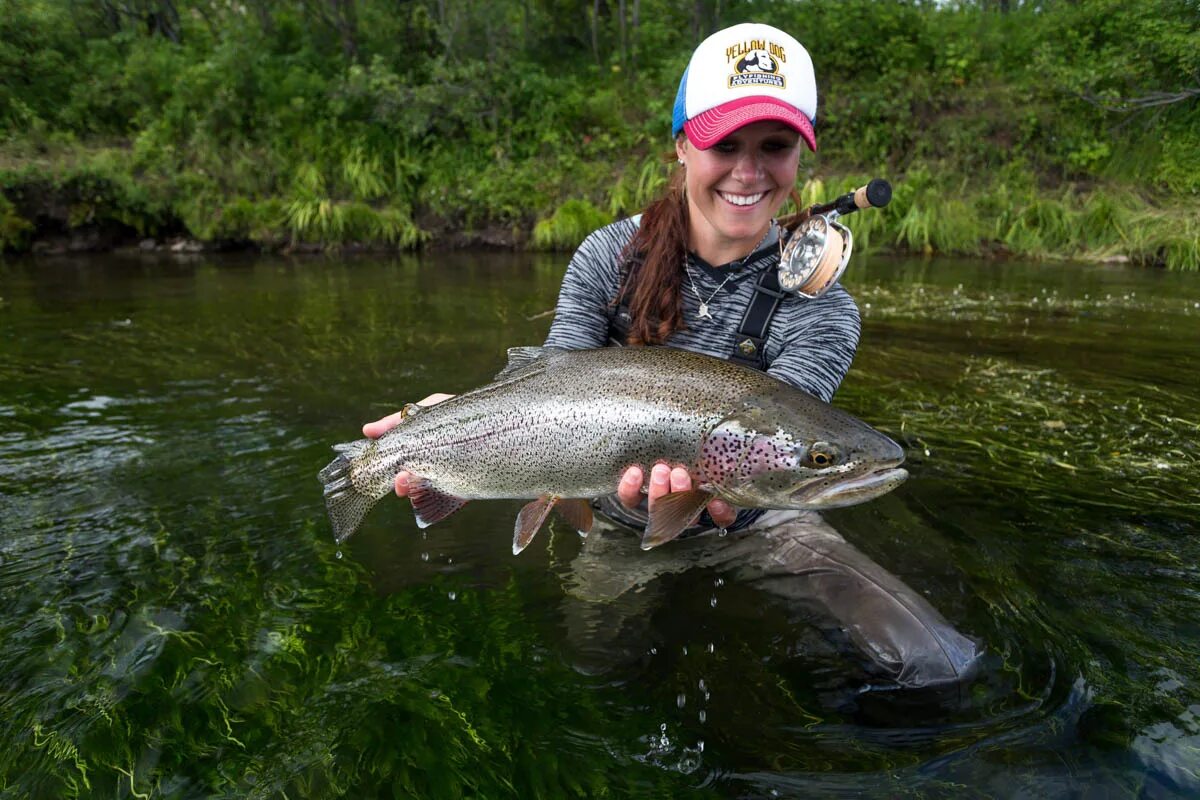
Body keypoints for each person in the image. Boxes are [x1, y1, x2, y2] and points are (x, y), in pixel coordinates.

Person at [363, 23, 981, 693]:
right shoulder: (608, 256)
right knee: (600, 671)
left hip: (765, 520)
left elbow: (781, 454)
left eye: (773, 146)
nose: (748, 172)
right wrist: (447, 419)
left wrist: (730, 497)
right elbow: (549, 390)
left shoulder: (822, 306)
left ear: (801, 158)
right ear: (682, 146)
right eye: (724, 144)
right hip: (618, 524)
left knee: (936, 665)